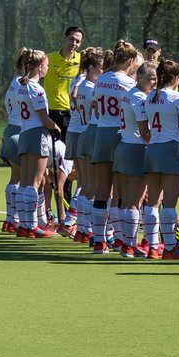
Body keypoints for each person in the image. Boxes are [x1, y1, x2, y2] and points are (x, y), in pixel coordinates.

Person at [89, 40, 141, 254]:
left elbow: (97, 108)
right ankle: (122, 240)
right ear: (130, 61)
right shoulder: (129, 84)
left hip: (102, 134)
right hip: (121, 135)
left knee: (102, 190)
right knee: (122, 192)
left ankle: (99, 241)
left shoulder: (101, 80)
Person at [143, 58, 179, 259]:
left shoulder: (149, 98)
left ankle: (153, 246)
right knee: (170, 204)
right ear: (176, 78)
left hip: (152, 148)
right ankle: (171, 247)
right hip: (170, 148)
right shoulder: (178, 97)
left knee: (153, 202)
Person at [12, 48, 61, 239]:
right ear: (40, 66)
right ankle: (32, 226)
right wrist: (56, 128)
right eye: (47, 65)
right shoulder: (37, 89)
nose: (48, 68)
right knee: (34, 182)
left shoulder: (20, 85)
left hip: (24, 132)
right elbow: (44, 118)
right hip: (37, 134)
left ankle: (24, 225)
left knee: (25, 181)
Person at [114, 62, 153, 257]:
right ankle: (130, 245)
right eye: (150, 79)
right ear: (140, 78)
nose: (154, 83)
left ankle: (126, 243)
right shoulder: (139, 97)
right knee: (134, 201)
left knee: (128, 200)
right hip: (136, 148)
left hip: (125, 146)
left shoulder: (130, 94)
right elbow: (145, 132)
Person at [72, 49, 105, 243]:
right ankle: (88, 229)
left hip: (83, 133)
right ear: (91, 67)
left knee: (85, 186)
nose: (103, 71)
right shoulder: (91, 87)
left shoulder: (83, 85)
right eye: (101, 67)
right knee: (91, 186)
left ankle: (83, 229)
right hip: (90, 134)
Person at [0, 55, 27, 233]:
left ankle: (11, 220)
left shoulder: (13, 82)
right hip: (21, 132)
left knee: (15, 178)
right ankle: (28, 222)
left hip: (10, 130)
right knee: (32, 180)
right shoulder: (24, 85)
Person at [44, 26, 84, 139]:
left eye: (78, 41)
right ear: (64, 37)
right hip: (52, 113)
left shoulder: (83, 60)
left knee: (71, 152)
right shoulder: (48, 59)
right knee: (52, 151)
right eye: (71, 39)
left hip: (74, 114)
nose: (74, 43)